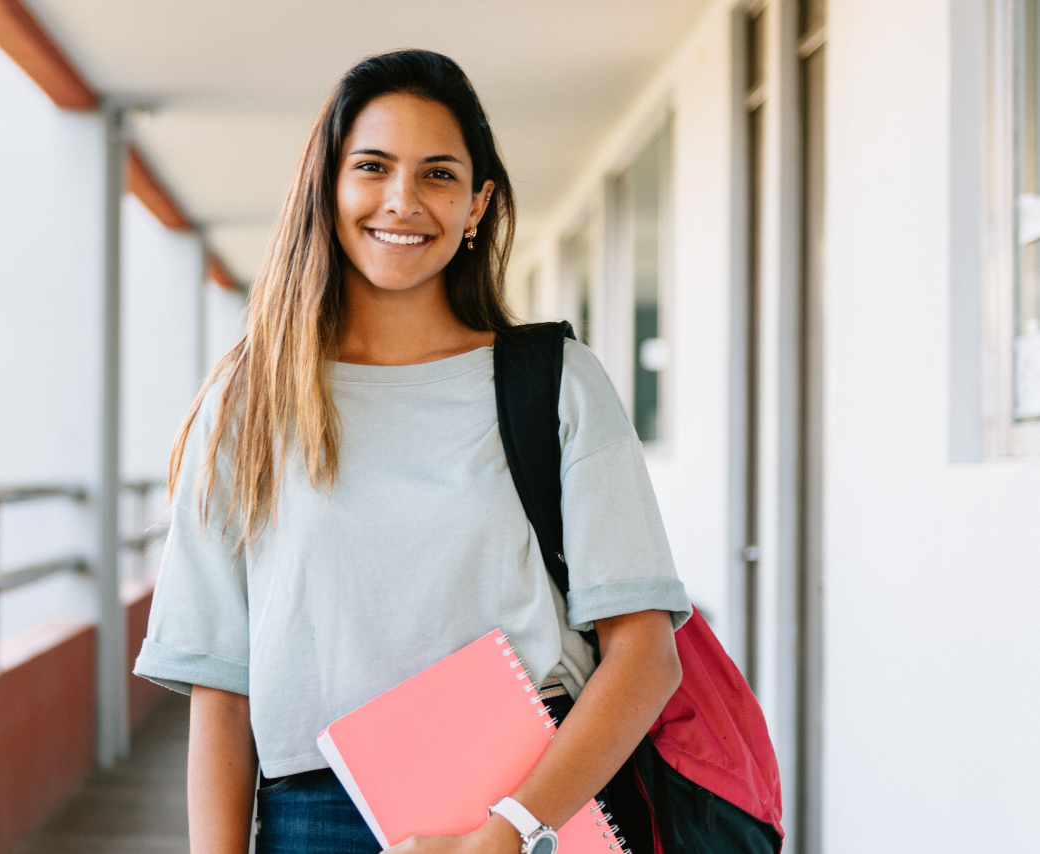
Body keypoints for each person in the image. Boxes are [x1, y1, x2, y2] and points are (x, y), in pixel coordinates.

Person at [133, 49, 691, 854]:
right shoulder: (249, 403)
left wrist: (508, 832)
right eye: (372, 166)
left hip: (532, 804)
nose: (403, 200)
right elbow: (220, 689)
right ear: (327, 188)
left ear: (477, 203)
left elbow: (646, 656)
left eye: (438, 174)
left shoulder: (556, 385)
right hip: (312, 816)